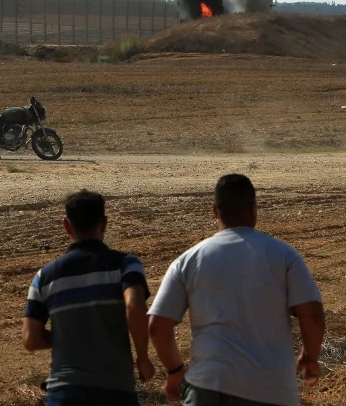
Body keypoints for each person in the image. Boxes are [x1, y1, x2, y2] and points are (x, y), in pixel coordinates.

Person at [148, 174, 325, 406]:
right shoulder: (284, 256)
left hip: (208, 388)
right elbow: (312, 314)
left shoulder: (188, 260)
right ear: (253, 210)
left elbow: (157, 326)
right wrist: (310, 357)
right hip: (272, 390)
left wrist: (175, 370)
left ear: (214, 211)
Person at [23, 190, 154, 406]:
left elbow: (30, 339)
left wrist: (69, 335)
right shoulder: (126, 265)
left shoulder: (44, 277)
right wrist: (142, 358)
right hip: (114, 390)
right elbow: (134, 307)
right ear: (104, 223)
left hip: (63, 393)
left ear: (66, 226)